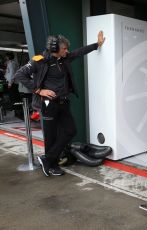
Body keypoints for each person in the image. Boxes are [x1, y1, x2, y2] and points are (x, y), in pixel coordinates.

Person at [15, 31, 105, 177]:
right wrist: (39, 90)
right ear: (55, 48)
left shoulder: (64, 58)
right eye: (64, 49)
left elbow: (79, 52)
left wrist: (97, 45)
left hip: (63, 102)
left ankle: (47, 159)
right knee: (51, 137)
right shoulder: (39, 61)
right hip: (48, 103)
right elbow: (19, 75)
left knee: (71, 130)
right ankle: (52, 165)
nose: (67, 51)